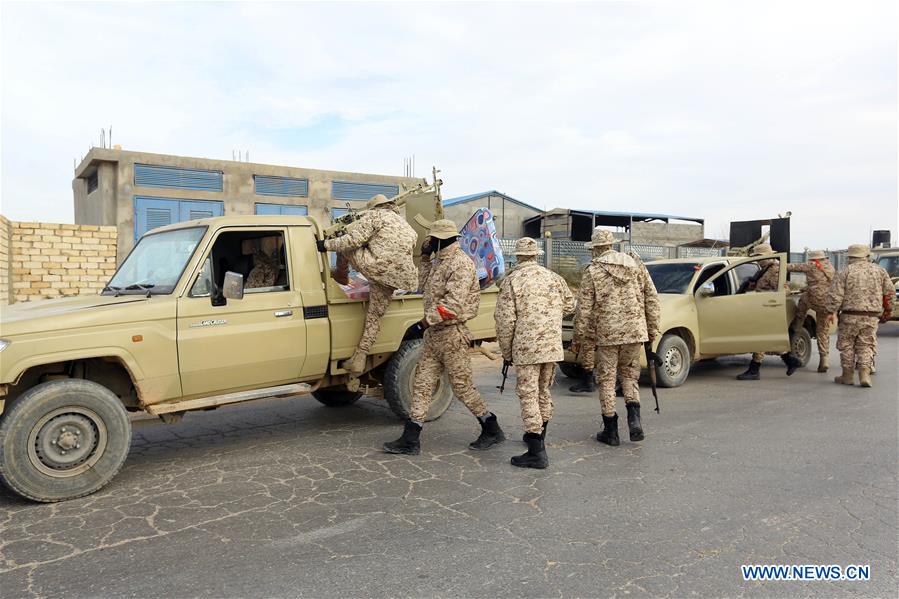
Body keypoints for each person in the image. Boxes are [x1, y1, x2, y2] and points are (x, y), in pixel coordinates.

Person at [383, 219, 505, 455]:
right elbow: (422, 284)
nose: (429, 243)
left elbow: (452, 306)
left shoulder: (460, 264)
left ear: (439, 240)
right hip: (435, 337)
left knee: (462, 388)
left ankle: (491, 427)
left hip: (451, 336)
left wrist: (422, 324)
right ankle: (411, 439)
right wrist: (426, 258)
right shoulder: (441, 262)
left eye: (431, 241)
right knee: (422, 384)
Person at [572, 229, 660, 446]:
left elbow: (583, 310)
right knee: (630, 376)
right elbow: (651, 296)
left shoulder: (592, 271)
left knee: (607, 380)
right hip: (634, 331)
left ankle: (611, 431)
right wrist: (652, 329)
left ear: (595, 249)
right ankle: (634, 420)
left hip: (607, 334)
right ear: (611, 245)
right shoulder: (635, 264)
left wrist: (578, 338)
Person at [494, 237, 575, 469]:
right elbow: (570, 305)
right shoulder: (554, 278)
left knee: (528, 395)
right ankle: (539, 435)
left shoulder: (512, 281)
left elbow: (505, 321)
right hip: (551, 346)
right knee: (543, 391)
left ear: (518, 256)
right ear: (536, 255)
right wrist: (549, 317)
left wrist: (507, 351)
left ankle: (536, 452)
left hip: (526, 348)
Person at [316, 194, 418, 375]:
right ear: (389, 205)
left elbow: (352, 241)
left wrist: (326, 244)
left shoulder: (374, 216)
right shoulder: (403, 223)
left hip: (379, 270)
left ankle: (341, 275)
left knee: (343, 240)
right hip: (402, 277)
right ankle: (359, 357)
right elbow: (413, 240)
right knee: (375, 315)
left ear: (374, 208)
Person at [826, 244, 894, 387]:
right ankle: (864, 375)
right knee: (866, 344)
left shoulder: (845, 272)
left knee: (847, 345)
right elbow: (889, 293)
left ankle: (848, 376)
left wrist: (831, 312)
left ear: (850, 257)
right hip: (871, 316)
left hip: (849, 315)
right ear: (867, 256)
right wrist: (888, 310)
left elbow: (835, 295)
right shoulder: (880, 271)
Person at [735, 244, 803, 380]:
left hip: (768, 308)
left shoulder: (774, 270)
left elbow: (783, 290)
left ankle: (754, 369)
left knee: (760, 339)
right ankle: (791, 360)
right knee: (767, 340)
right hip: (763, 307)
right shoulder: (765, 270)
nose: (758, 261)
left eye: (758, 257)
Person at [787, 250, 836, 372]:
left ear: (813, 259)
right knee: (822, 331)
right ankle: (824, 360)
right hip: (827, 302)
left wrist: (777, 263)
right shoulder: (829, 266)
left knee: (802, 303)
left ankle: (797, 326)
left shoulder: (812, 265)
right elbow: (822, 283)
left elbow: (792, 267)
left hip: (814, 299)